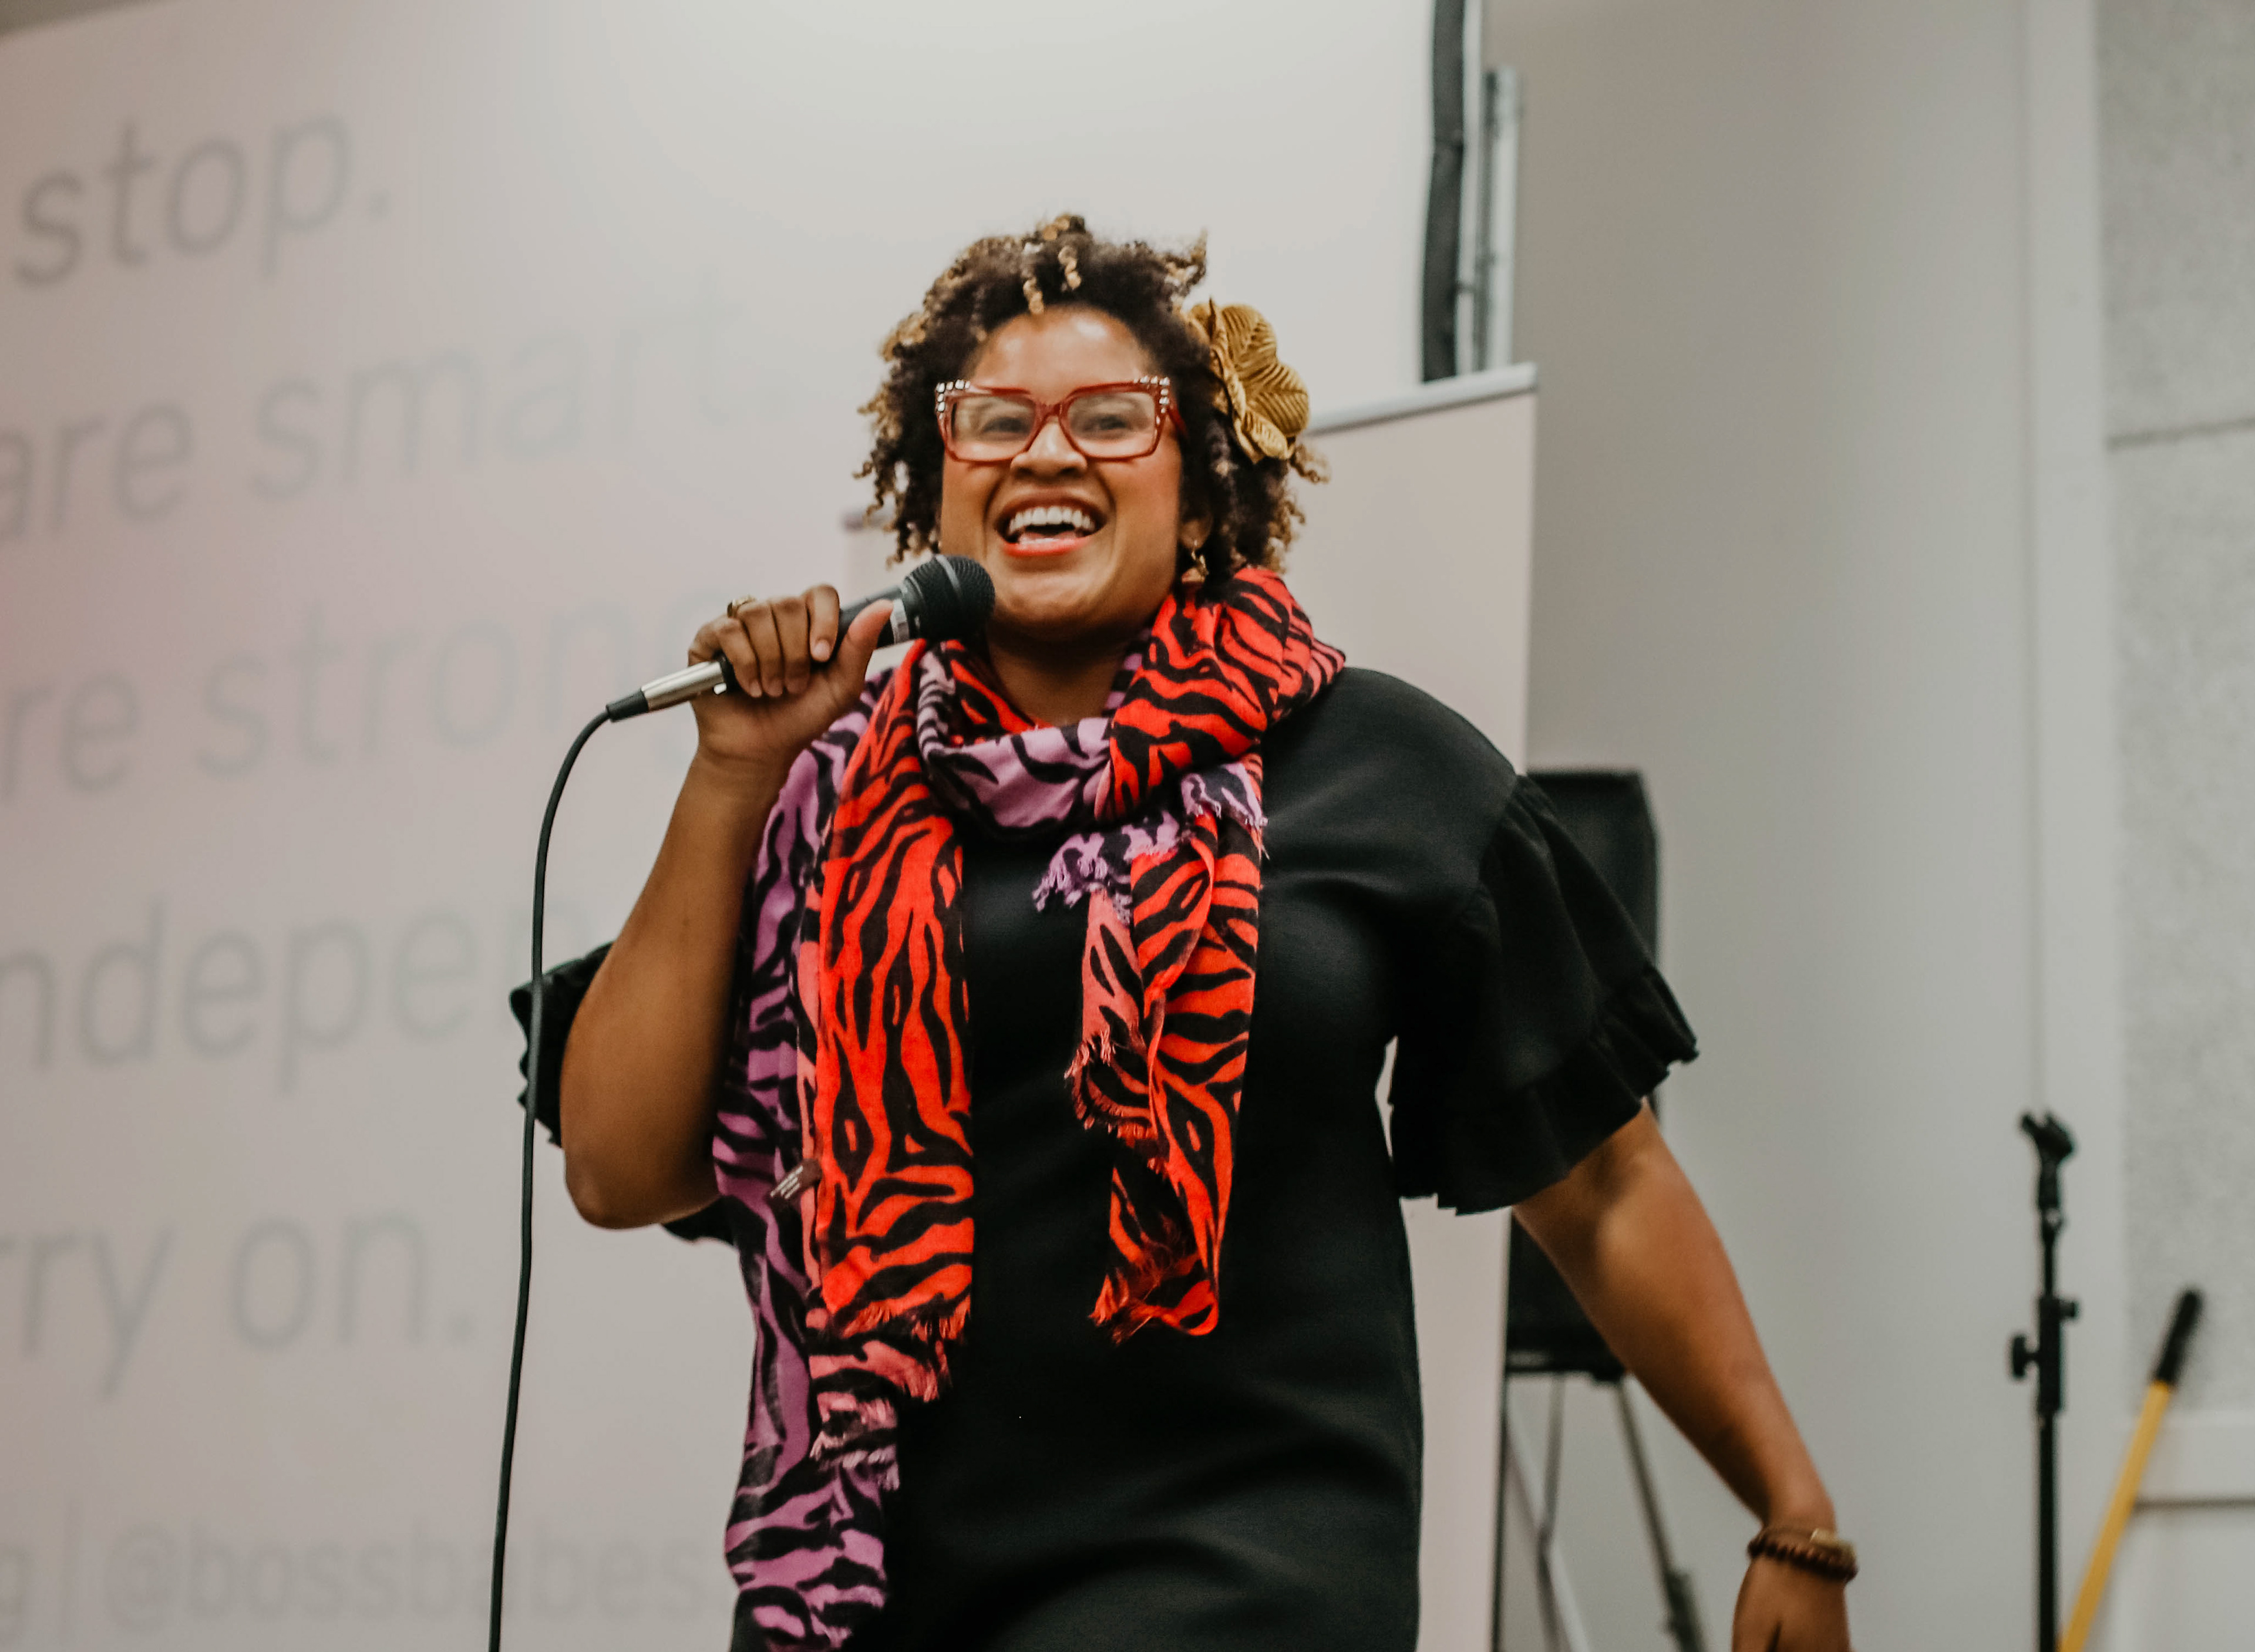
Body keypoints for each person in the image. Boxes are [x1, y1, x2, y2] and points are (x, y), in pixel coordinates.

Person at [522, 217, 1854, 1652]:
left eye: (1110, 419)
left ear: (1202, 482)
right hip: (880, 1590)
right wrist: (735, 774)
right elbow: (619, 1168)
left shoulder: (1375, 765)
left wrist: (1792, 1511)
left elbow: (1603, 1186)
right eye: (995, 423)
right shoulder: (826, 803)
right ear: (933, 489)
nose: (1045, 454)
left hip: (1244, 1566)